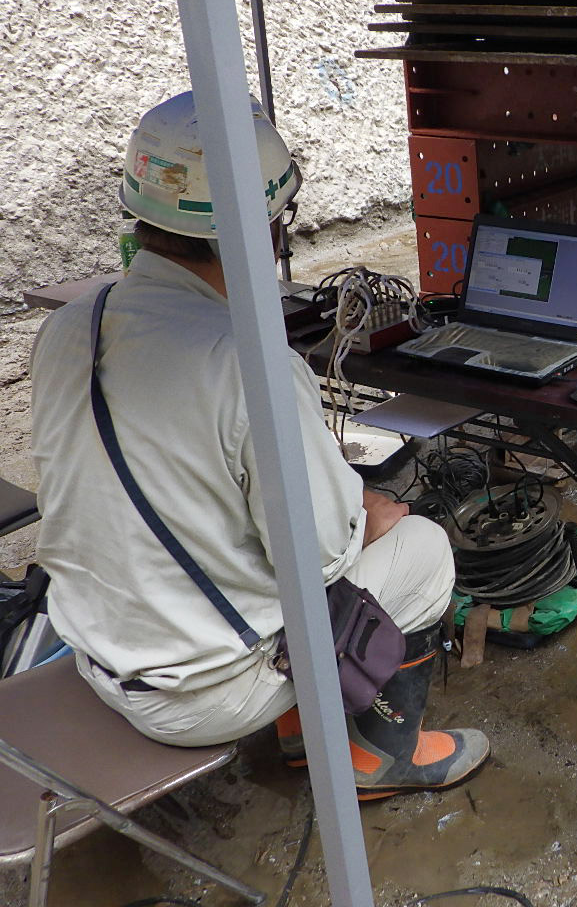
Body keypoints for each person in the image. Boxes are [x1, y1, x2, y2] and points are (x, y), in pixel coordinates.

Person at [29, 91, 488, 801]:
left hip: (95, 657)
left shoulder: (69, 328)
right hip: (203, 698)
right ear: (265, 231)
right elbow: (325, 557)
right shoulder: (251, 363)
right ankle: (378, 758)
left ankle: (305, 729)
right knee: (421, 546)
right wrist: (371, 514)